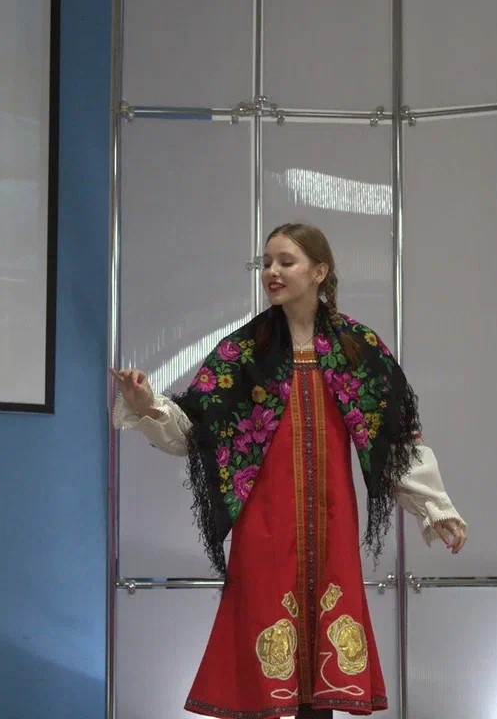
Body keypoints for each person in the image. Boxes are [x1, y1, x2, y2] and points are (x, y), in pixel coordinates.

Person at [111, 223, 467, 719]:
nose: (272, 273)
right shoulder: (244, 352)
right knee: (265, 660)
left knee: (321, 673)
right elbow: (197, 434)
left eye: (286, 262)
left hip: (332, 524)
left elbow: (394, 441)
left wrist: (435, 507)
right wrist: (147, 404)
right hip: (264, 528)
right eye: (267, 263)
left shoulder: (357, 348)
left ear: (319, 271)